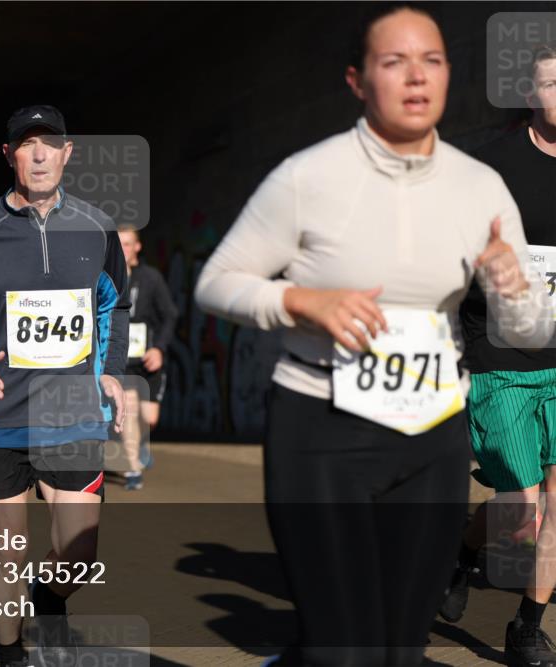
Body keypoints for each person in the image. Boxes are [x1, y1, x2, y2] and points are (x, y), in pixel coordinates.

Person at [194, 6, 554, 666]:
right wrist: (299, 299)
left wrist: (513, 289)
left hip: (432, 433)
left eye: (433, 60)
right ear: (358, 81)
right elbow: (218, 281)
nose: (416, 76)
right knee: (344, 644)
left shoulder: (480, 187)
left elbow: (529, 325)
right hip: (322, 425)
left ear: (449, 76)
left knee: (398, 641)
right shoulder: (309, 175)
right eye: (395, 62)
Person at [0, 104, 128, 667]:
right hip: (1, 418)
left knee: (79, 554)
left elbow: (115, 304)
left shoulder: (96, 229)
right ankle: (10, 654)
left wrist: (111, 368)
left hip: (74, 411)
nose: (38, 155)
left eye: (50, 144)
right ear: (8, 155)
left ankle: (51, 597)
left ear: (68, 153)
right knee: (7, 549)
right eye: (26, 144)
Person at [439, 45, 556, 667]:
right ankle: (464, 549)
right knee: (521, 503)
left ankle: (527, 626)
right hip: (501, 355)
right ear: (531, 93)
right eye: (552, 83)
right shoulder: (491, 167)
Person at [116, 225, 178, 490]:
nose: (123, 250)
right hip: (123, 362)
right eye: (118, 244)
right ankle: (133, 470)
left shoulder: (151, 278)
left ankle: (142, 443)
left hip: (148, 359)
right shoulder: (105, 279)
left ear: (137, 247)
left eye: (128, 244)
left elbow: (170, 315)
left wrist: (159, 348)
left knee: (149, 418)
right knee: (129, 411)